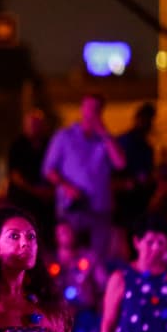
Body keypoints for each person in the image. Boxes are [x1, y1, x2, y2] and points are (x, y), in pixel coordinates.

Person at [42, 93, 126, 258]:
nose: (91, 113)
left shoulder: (105, 140)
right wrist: (67, 187)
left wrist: (104, 133)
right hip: (72, 208)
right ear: (82, 109)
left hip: (100, 208)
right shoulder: (64, 137)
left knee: (98, 258)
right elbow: (48, 170)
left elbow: (120, 163)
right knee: (69, 254)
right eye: (88, 108)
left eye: (96, 109)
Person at [6, 110, 55, 245]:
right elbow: (15, 175)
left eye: (37, 124)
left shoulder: (49, 144)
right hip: (23, 199)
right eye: (31, 124)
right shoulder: (17, 145)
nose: (34, 127)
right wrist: (35, 190)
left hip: (45, 201)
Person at [114, 102, 158, 233]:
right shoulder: (125, 141)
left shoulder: (146, 147)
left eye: (150, 120)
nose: (148, 123)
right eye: (145, 119)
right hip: (124, 200)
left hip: (139, 200)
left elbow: (147, 173)